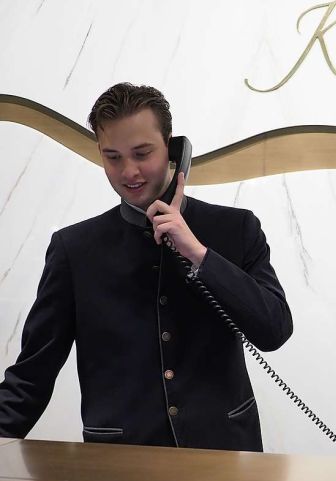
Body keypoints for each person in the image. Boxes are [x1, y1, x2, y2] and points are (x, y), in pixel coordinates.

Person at [0, 83, 293, 451]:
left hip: (224, 454)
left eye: (142, 153)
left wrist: (199, 254)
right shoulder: (74, 249)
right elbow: (31, 377)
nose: (129, 171)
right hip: (120, 461)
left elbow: (275, 330)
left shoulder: (236, 229)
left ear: (172, 148)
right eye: (113, 157)